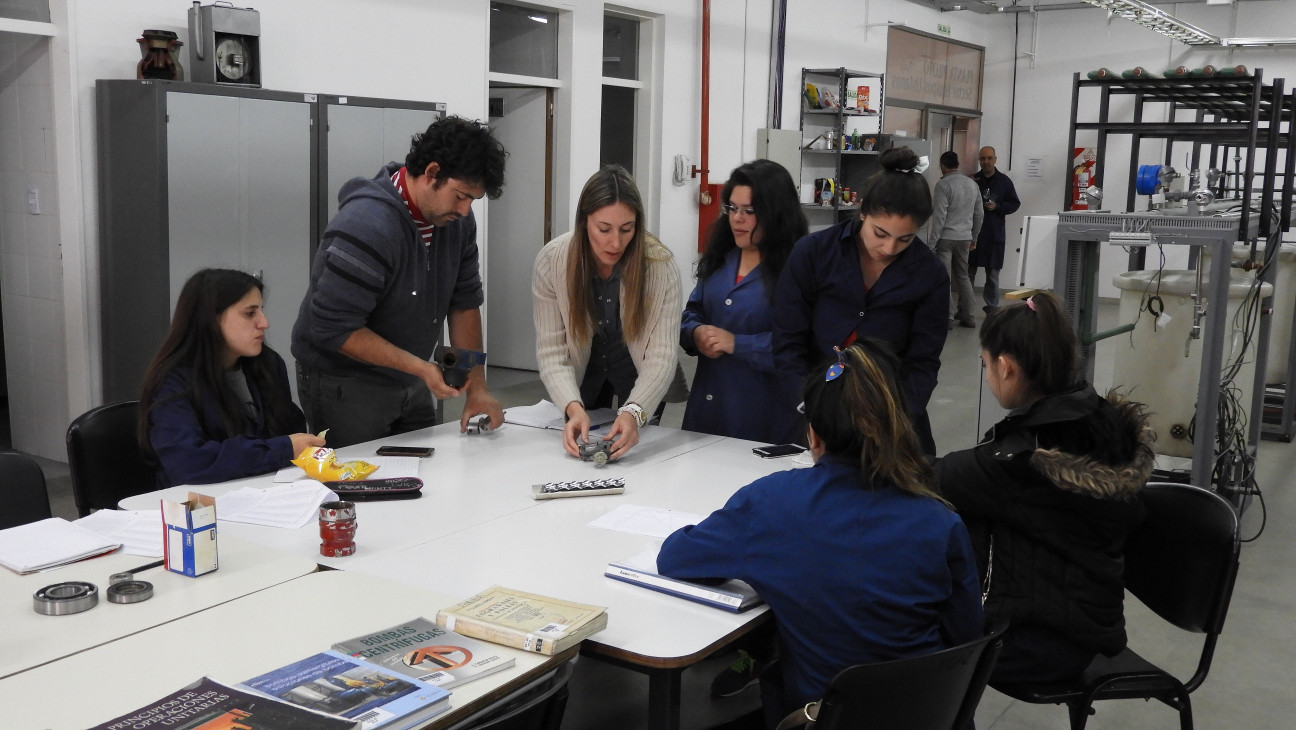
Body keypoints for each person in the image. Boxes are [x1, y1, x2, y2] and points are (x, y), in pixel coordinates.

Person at [659, 340, 983, 726]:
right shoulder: (941, 522)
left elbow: (674, 557)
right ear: (895, 426)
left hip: (817, 718)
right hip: (926, 715)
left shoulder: (770, 504)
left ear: (813, 435)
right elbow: (966, 636)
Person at [934, 291, 1155, 684]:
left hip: (1041, 642)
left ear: (1005, 368)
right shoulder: (1099, 417)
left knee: (901, 635)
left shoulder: (1024, 459)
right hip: (1084, 620)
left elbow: (930, 478)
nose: (987, 375)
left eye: (985, 364)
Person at [291, 115, 507, 447]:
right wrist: (420, 368)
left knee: (419, 475)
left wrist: (477, 388)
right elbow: (335, 328)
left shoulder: (456, 223)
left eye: (472, 201)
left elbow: (464, 303)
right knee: (361, 483)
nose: (465, 210)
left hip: (411, 374)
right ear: (432, 173)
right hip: (345, 381)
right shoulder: (367, 224)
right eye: (461, 196)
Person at [774, 146, 950, 454]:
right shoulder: (813, 254)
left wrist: (895, 420)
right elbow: (788, 342)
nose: (890, 247)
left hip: (892, 423)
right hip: (815, 416)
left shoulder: (929, 274)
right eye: (880, 233)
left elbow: (922, 362)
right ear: (862, 210)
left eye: (905, 238)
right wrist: (811, 407)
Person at [533, 165, 687, 462]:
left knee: (638, 460)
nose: (615, 243)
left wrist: (634, 412)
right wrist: (572, 407)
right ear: (583, 222)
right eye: (604, 229)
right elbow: (552, 352)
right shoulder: (552, 261)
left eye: (626, 229)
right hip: (584, 375)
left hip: (640, 379)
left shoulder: (660, 265)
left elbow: (661, 356)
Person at [139, 269, 325, 489]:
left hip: (266, 491)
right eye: (249, 314)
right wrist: (282, 449)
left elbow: (288, 428)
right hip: (198, 506)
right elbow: (187, 463)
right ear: (211, 319)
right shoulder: (172, 381)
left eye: (261, 311)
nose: (264, 323)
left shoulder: (268, 364)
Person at [681, 159, 807, 444]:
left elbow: (800, 346)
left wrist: (737, 344)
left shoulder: (798, 268)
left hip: (764, 417)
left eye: (750, 211)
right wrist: (695, 333)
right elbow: (693, 311)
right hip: (707, 410)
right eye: (732, 208)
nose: (737, 218)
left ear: (776, 214)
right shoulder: (721, 256)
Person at [929, 151, 984, 329]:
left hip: (945, 238)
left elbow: (939, 217)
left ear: (943, 166)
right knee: (963, 277)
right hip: (964, 238)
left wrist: (931, 244)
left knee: (945, 279)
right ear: (957, 164)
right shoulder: (972, 185)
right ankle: (969, 316)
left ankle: (948, 318)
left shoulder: (943, 185)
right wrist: (974, 236)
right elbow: (979, 214)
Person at [970, 146, 1021, 312]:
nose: (986, 162)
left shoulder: (1004, 182)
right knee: (968, 273)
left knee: (992, 274)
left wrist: (998, 207)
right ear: (979, 160)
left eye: (989, 158)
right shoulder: (973, 180)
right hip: (973, 233)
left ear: (995, 159)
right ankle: (966, 306)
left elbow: (1014, 203)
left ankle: (992, 306)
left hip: (994, 234)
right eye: (982, 158)